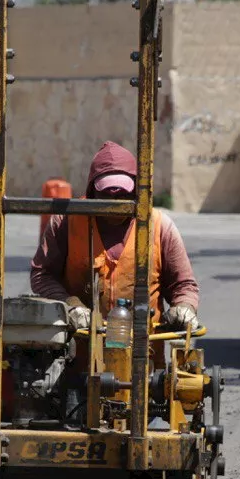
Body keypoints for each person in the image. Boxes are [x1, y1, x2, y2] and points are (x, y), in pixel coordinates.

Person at [30, 141, 200, 338]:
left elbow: (183, 285)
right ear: (92, 191)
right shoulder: (66, 221)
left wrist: (184, 307)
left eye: (122, 193)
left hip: (145, 352)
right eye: (106, 193)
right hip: (78, 349)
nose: (115, 201)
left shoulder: (160, 226)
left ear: (137, 189)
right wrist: (70, 305)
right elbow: (42, 274)